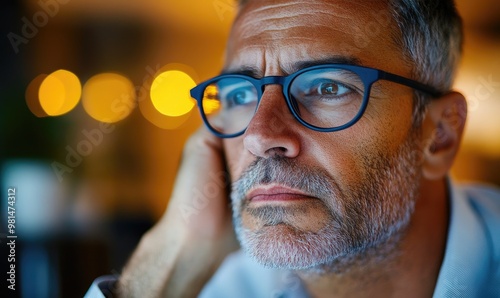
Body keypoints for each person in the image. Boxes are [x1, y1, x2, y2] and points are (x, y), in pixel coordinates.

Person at [85, 0, 500, 297]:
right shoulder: (219, 287)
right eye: (240, 94)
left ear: (439, 135)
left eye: (327, 87)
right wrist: (171, 258)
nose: (260, 135)